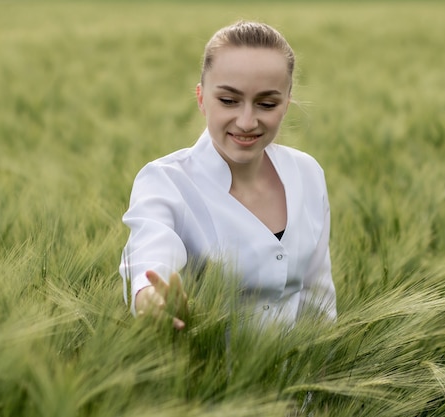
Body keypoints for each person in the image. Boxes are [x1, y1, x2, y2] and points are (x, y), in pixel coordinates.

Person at [119, 21, 336, 330]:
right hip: (209, 377)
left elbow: (319, 301)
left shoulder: (308, 174)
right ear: (201, 98)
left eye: (267, 104)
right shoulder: (165, 182)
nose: (247, 122)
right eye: (228, 100)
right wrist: (149, 294)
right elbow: (150, 250)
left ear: (286, 105)